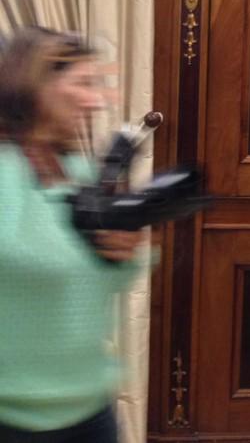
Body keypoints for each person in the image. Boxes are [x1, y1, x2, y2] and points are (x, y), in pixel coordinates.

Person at [0, 28, 144, 443]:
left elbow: (97, 283)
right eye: (82, 84)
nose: (95, 101)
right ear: (35, 85)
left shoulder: (79, 170)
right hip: (13, 418)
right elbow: (26, 259)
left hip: (89, 408)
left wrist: (124, 251)